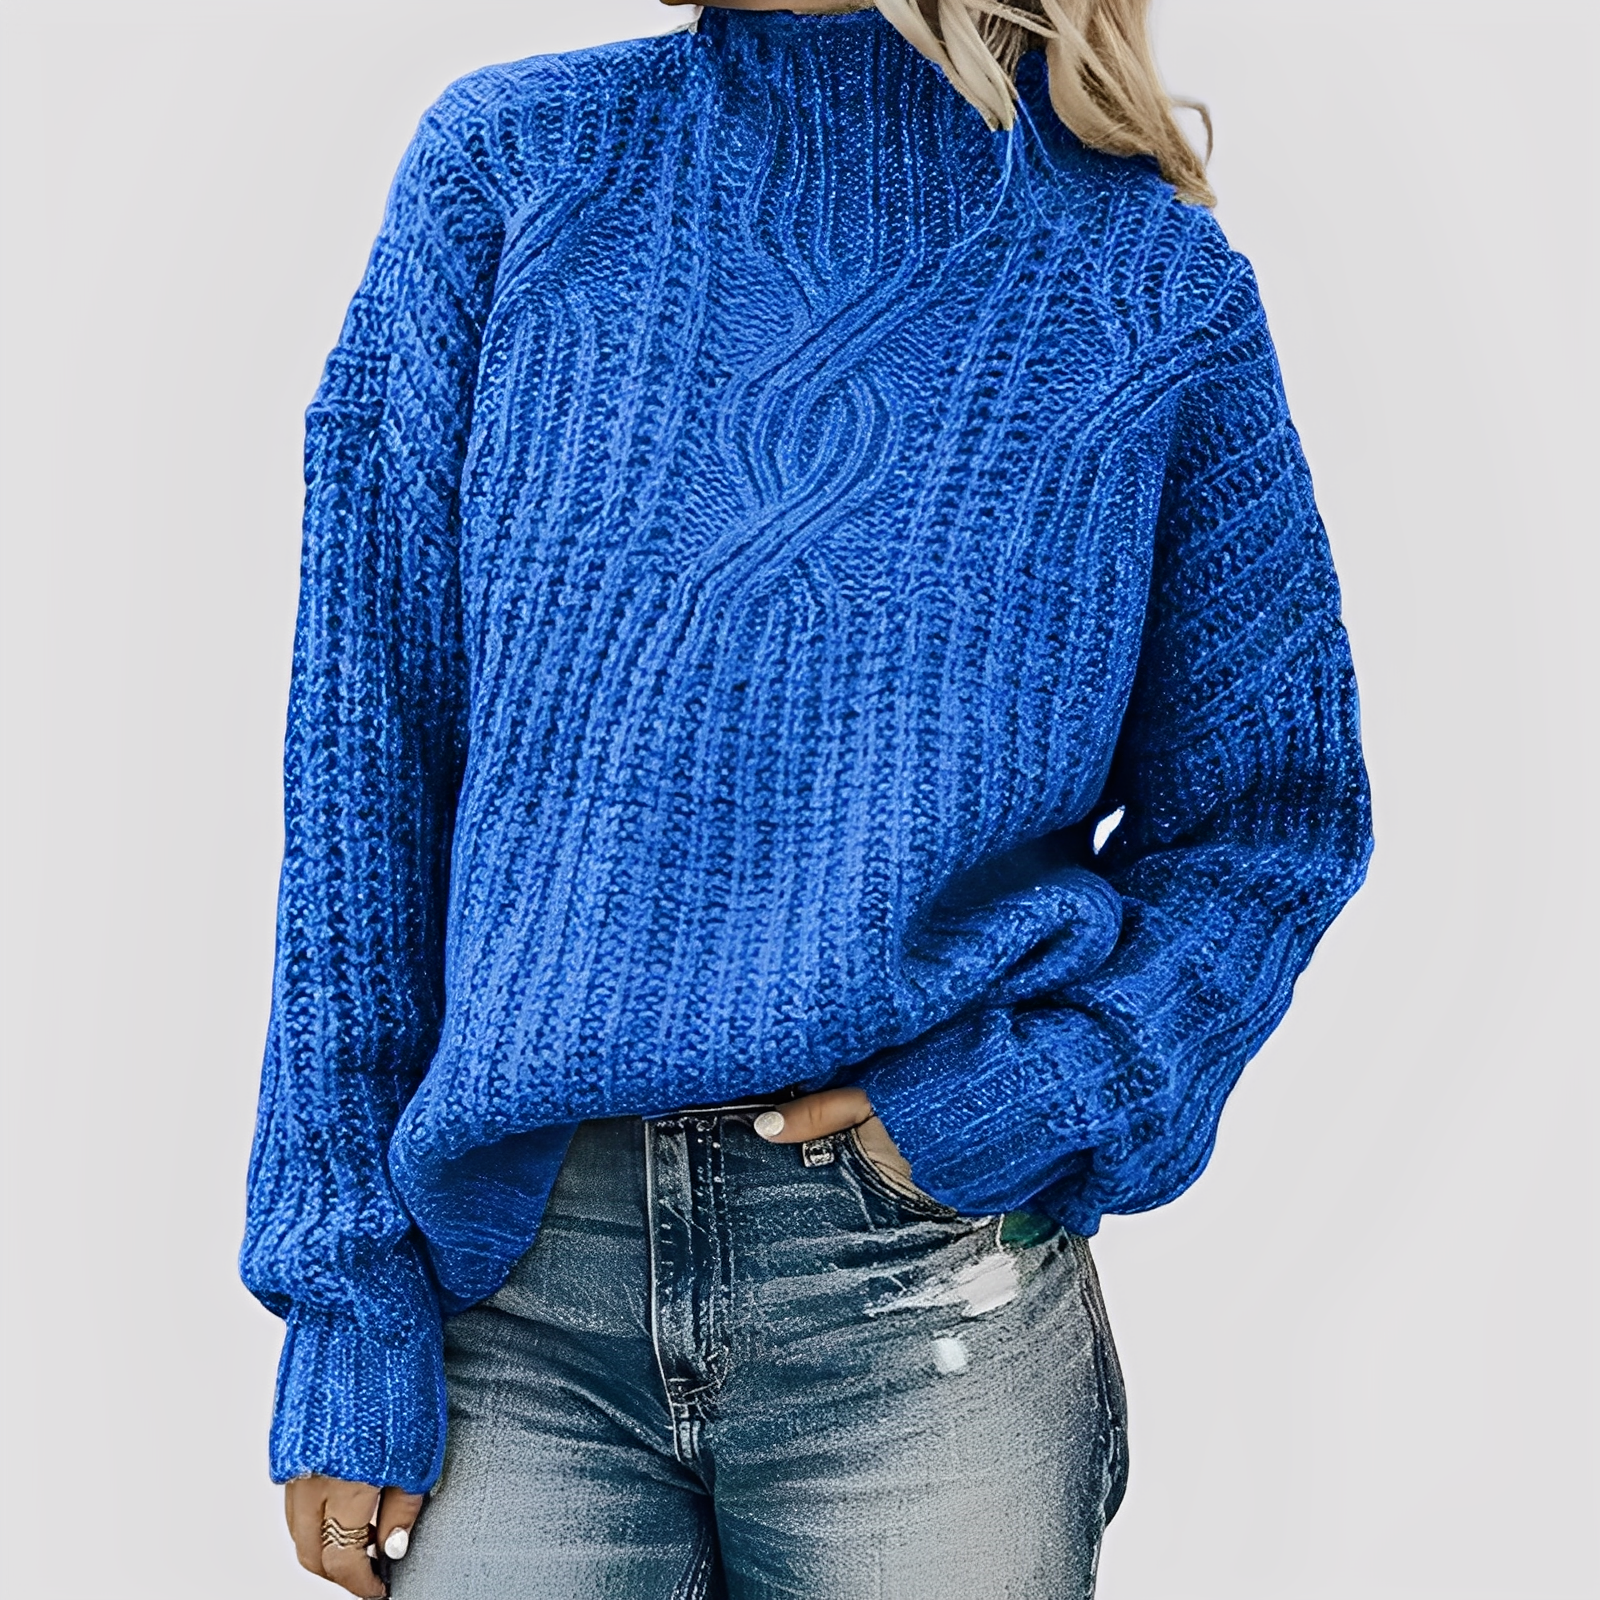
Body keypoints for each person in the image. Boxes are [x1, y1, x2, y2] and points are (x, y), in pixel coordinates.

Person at [240, 0, 1372, 1594]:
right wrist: (346, 1303)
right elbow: (363, 767)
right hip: (516, 1289)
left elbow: (1271, 821)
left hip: (917, 1302)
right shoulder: (512, 169)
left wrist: (1041, 1095)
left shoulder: (1141, 281)